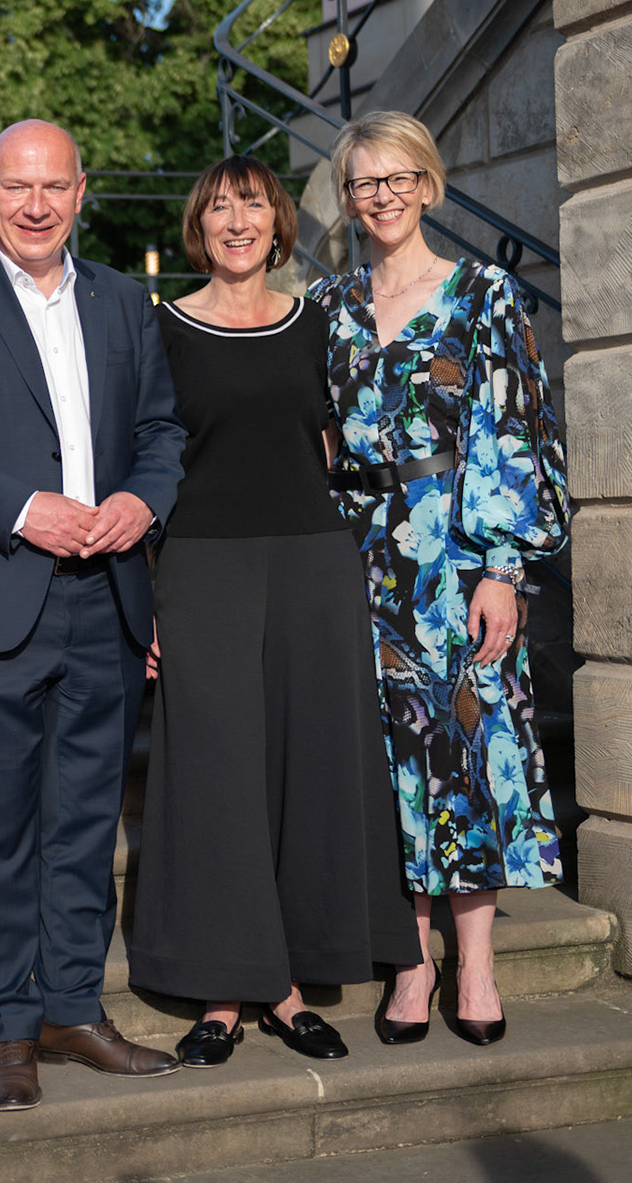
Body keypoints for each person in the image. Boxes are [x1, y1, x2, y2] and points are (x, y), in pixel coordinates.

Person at [0, 119, 188, 1112]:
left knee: (81, 824)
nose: (35, 202)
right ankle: (8, 1026)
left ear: (80, 188)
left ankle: (74, 1008)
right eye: (17, 185)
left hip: (106, 601)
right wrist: (26, 509)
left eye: (53, 184)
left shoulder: (122, 300)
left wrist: (143, 503)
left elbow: (158, 433)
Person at [126, 155, 419, 1069]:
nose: (237, 223)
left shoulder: (319, 322)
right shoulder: (159, 330)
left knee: (305, 768)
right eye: (219, 209)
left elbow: (353, 441)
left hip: (311, 566)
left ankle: (288, 988)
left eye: (252, 205)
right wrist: (145, 599)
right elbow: (141, 463)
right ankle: (221, 991)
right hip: (200, 569)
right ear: (198, 228)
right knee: (216, 776)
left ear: (279, 221)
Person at [309, 111, 571, 1047]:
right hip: (357, 556)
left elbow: (515, 432)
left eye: (395, 179)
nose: (379, 197)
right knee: (385, 764)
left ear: (427, 183)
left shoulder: (485, 292)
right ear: (347, 199)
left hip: (457, 557)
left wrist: (503, 567)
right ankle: (410, 966)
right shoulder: (329, 303)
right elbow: (317, 435)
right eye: (361, 184)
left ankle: (479, 968)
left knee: (469, 752)